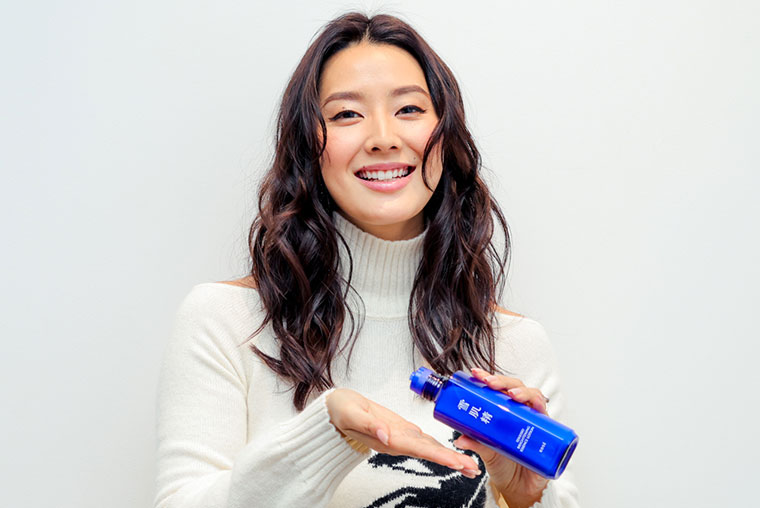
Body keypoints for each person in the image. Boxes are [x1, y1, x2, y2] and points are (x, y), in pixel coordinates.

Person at [154, 12, 580, 508]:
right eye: (346, 115)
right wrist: (327, 432)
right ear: (309, 145)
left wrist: (525, 497)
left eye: (409, 109)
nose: (382, 137)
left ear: (445, 136)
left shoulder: (515, 345)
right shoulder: (226, 322)